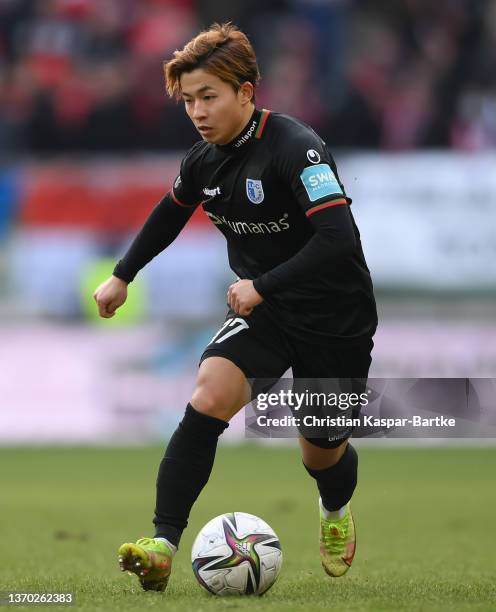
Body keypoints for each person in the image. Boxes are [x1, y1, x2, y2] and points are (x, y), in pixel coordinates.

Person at [93, 22, 377, 593]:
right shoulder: (204, 160)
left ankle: (334, 510)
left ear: (247, 92)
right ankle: (163, 545)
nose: (197, 111)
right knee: (209, 396)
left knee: (321, 450)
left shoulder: (297, 147)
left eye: (209, 96)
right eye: (189, 100)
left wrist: (262, 284)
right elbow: (171, 211)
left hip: (335, 316)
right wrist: (123, 275)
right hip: (265, 311)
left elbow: (338, 238)